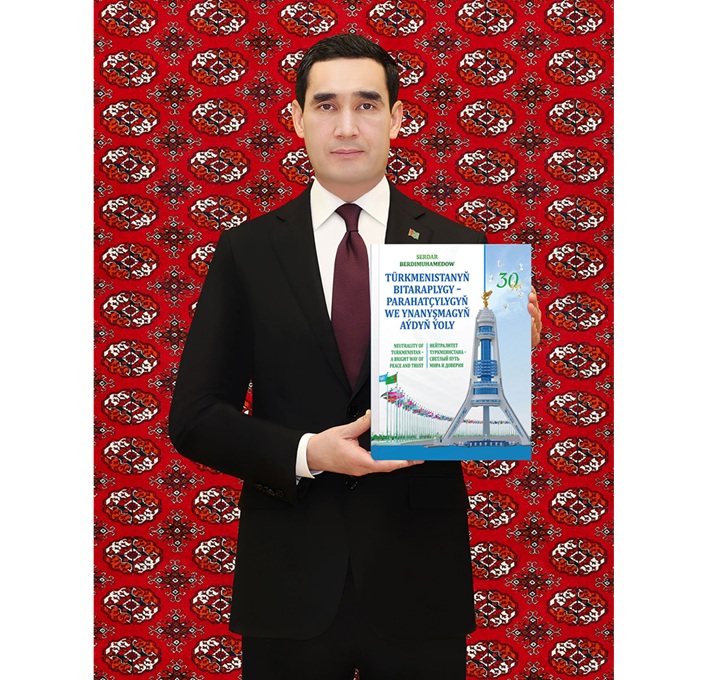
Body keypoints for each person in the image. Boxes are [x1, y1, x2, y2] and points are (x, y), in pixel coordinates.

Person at [169, 33, 542, 680]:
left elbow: (472, 416)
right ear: (296, 119)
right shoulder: (247, 251)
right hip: (288, 578)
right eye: (326, 105)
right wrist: (309, 453)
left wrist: (512, 358)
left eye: (367, 105)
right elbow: (196, 417)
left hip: (418, 577)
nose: (347, 126)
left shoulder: (462, 248)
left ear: (397, 119)